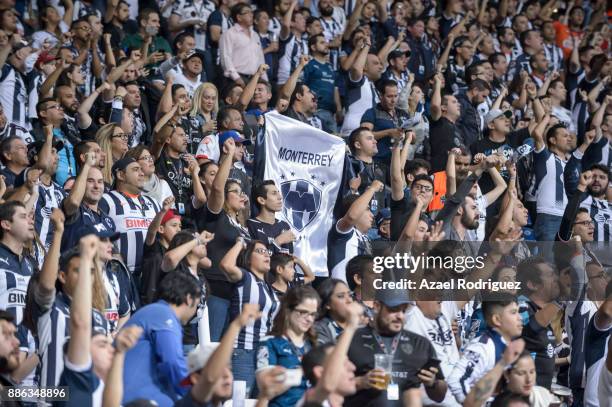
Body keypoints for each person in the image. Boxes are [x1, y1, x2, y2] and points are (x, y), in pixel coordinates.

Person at [345, 288, 447, 406]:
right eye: (393, 310)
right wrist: (361, 382)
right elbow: (330, 385)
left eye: (403, 310)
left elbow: (440, 396)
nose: (400, 316)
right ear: (377, 306)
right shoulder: (353, 339)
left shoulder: (420, 344)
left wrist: (432, 383)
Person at [121, 271, 202, 406]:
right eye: (197, 304)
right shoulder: (163, 314)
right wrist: (197, 395)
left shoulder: (155, 311)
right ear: (189, 299)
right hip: (136, 400)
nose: (195, 311)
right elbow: (173, 363)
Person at [219, 238, 279, 398]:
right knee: (239, 401)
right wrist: (240, 243)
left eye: (268, 252)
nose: (267, 255)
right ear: (248, 257)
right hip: (242, 351)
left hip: (263, 354)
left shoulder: (268, 288)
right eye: (260, 251)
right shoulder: (245, 277)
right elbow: (225, 265)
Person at [448, 293, 524, 404]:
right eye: (513, 313)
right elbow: (456, 381)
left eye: (518, 312)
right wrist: (472, 403)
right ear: (497, 319)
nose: (519, 318)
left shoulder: (509, 345)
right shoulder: (482, 347)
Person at [257, 285, 320, 406]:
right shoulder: (269, 343)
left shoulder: (313, 345)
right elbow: (266, 384)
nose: (309, 319)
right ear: (288, 310)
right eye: (303, 312)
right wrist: (305, 370)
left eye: (313, 314)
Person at [99, 157, 161, 275]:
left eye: (141, 170)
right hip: (120, 273)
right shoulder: (106, 200)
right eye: (136, 169)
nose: (142, 173)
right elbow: (100, 235)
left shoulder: (154, 203)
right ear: (121, 175)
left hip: (152, 275)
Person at [327, 180, 381, 280]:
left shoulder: (366, 238)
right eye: (367, 209)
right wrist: (372, 189)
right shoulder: (342, 232)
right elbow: (352, 216)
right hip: (341, 293)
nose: (372, 215)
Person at [219, 3, 267, 85]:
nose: (251, 15)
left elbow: (260, 59)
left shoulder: (255, 35)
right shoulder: (229, 34)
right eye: (247, 12)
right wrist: (237, 78)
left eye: (251, 12)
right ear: (239, 17)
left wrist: (265, 80)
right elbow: (226, 58)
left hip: (255, 79)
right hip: (236, 79)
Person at [248, 180, 295, 253]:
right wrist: (278, 241)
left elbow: (289, 259)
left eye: (278, 192)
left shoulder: (284, 226)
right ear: (261, 200)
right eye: (274, 193)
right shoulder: (250, 225)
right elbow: (254, 259)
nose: (280, 197)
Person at [314, 278, 355, 345]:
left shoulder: (360, 323)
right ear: (327, 304)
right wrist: (350, 328)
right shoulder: (320, 328)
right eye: (341, 296)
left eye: (350, 295)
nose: (349, 300)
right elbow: (326, 354)